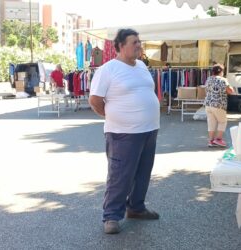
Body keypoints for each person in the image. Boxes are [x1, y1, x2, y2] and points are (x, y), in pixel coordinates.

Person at [89, 28, 161, 234]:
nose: (139, 45)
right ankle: (111, 216)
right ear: (121, 46)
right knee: (120, 175)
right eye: (134, 42)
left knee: (143, 174)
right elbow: (94, 100)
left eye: (139, 41)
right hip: (123, 133)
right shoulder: (108, 69)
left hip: (149, 130)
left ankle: (136, 208)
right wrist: (112, 116)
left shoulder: (141, 66)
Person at [204, 63, 234, 147]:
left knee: (211, 123)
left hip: (208, 104)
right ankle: (218, 139)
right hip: (219, 104)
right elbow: (230, 91)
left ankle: (211, 141)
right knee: (222, 121)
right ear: (221, 71)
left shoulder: (208, 79)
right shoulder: (223, 80)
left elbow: (206, 90)